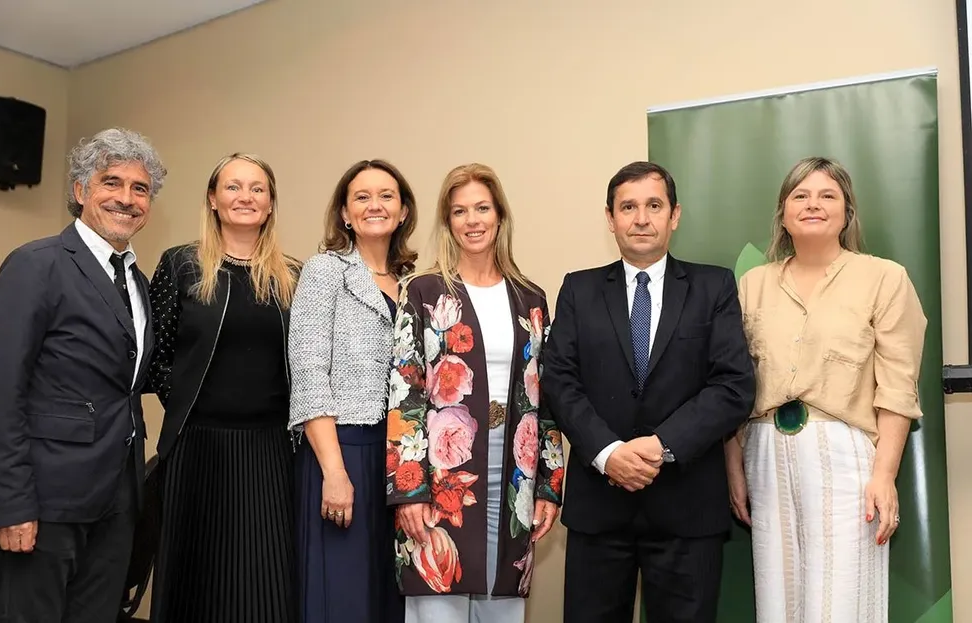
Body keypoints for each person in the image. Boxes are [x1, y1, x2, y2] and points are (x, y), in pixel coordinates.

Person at [541, 161, 756, 623]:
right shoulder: (578, 290)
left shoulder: (713, 286)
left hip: (687, 508)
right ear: (610, 218)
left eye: (654, 206)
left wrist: (661, 446)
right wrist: (606, 452)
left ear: (674, 215)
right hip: (600, 509)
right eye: (629, 207)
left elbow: (733, 385)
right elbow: (559, 379)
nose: (641, 218)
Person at [0, 128, 166, 622]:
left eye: (139, 188)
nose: (126, 198)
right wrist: (10, 505)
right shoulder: (36, 265)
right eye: (111, 183)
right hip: (45, 502)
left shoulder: (137, 282)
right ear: (80, 191)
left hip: (117, 504)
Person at [725, 157, 926, 622]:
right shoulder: (752, 285)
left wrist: (884, 475)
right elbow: (734, 386)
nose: (813, 204)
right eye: (800, 195)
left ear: (847, 211)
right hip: (764, 452)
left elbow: (897, 387)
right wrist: (735, 466)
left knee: (842, 598)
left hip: (845, 454)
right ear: (783, 212)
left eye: (827, 195)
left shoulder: (884, 278)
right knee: (777, 600)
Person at [388, 163, 565, 623]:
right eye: (459, 211)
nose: (472, 220)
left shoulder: (531, 298)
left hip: (512, 478)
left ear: (500, 215)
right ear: (448, 222)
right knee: (437, 608)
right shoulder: (424, 292)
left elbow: (545, 398)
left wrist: (550, 484)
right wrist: (408, 491)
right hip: (442, 483)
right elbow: (404, 394)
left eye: (482, 208)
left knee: (502, 607)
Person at [147, 153, 301, 623]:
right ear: (213, 200)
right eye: (233, 187)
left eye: (257, 188)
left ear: (271, 203)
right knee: (196, 584)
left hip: (272, 452)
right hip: (197, 450)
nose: (245, 197)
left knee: (267, 587)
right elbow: (154, 360)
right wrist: (196, 409)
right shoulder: (181, 265)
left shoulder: (295, 275)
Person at [288, 159, 417, 623]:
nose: (374, 205)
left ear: (403, 211)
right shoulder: (325, 272)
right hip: (343, 450)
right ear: (345, 212)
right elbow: (307, 373)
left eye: (386, 195)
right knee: (342, 596)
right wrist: (335, 472)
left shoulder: (416, 283)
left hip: (401, 457)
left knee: (392, 594)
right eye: (361, 197)